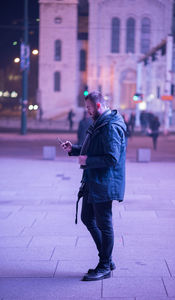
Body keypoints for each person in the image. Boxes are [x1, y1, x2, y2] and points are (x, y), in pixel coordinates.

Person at [61, 91, 126, 281]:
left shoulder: (111, 126)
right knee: (87, 217)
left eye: (89, 108)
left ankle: (105, 265)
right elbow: (95, 149)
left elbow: (111, 158)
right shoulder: (101, 122)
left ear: (98, 106)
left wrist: (87, 160)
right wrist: (73, 150)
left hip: (105, 182)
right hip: (94, 179)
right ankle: (107, 259)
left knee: (104, 224)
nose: (87, 111)